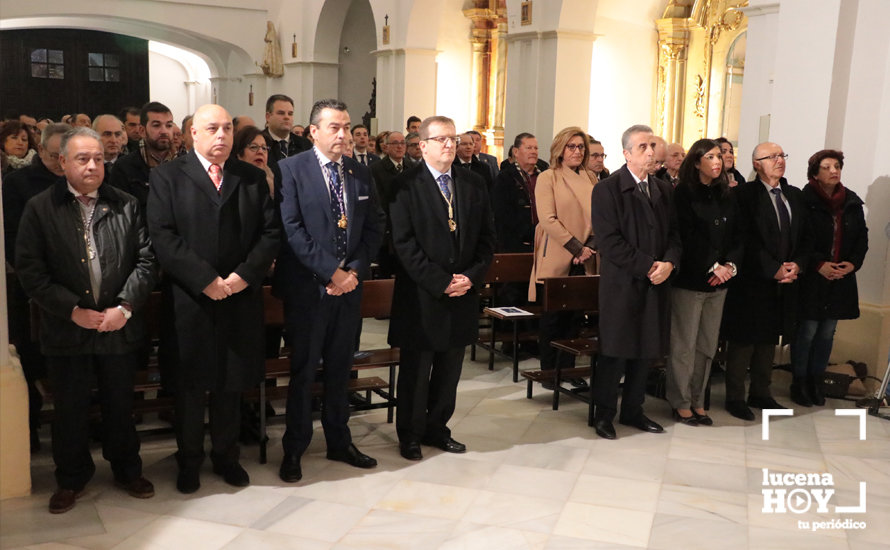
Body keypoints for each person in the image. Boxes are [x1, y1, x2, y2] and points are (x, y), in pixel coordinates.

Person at [15, 127, 159, 514]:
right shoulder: (40, 208)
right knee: (70, 409)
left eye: (98, 158)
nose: (93, 165)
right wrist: (71, 310)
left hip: (116, 324)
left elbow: (146, 261)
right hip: (67, 328)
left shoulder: (126, 203)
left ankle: (128, 470)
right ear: (63, 163)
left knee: (119, 404)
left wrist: (125, 307)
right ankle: (71, 479)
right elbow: (30, 270)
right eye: (82, 158)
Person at [147, 104, 279, 494]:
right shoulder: (168, 176)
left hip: (239, 296)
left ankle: (227, 456)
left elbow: (270, 234)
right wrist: (206, 279)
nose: (221, 135)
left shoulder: (251, 177)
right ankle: (189, 460)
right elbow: (163, 236)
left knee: (230, 381)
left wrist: (242, 277)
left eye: (226, 128)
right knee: (190, 385)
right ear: (193, 134)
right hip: (191, 298)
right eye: (212, 128)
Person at [275, 99, 385, 482]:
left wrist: (353, 270)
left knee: (341, 369)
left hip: (349, 289)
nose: (343, 135)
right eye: (335, 128)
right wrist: (330, 272)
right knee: (305, 372)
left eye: (347, 127)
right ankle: (295, 448)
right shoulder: (291, 169)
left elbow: (374, 227)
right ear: (314, 132)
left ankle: (339, 440)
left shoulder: (358, 170)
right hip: (309, 290)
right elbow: (291, 229)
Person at [388, 116, 495, 461]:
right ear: (423, 146)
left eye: (453, 138)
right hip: (421, 295)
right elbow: (402, 245)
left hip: (462, 292)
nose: (449, 144)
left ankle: (438, 428)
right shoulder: (404, 184)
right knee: (417, 372)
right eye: (441, 139)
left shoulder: (474, 182)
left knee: (450, 370)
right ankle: (410, 434)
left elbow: (487, 240)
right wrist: (440, 281)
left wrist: (470, 277)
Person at [589, 124, 680, 440]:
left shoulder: (664, 190)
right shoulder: (607, 189)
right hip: (623, 284)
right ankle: (603, 414)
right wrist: (648, 265)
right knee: (615, 351)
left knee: (646, 349)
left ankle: (633, 410)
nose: (651, 151)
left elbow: (674, 236)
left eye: (652, 145)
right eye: (643, 146)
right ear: (626, 153)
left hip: (656, 282)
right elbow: (609, 241)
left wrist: (669, 262)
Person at [721, 142, 807, 420]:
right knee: (744, 340)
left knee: (769, 339)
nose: (779, 160)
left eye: (782, 155)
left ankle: (761, 392)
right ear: (757, 164)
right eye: (772, 157)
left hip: (784, 282)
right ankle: (734, 397)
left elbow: (806, 237)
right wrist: (773, 268)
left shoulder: (793, 195)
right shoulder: (744, 195)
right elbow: (744, 238)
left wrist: (798, 265)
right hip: (751, 279)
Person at [3, 122, 70, 451]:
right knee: (33, 364)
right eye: (55, 154)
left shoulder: (82, 180)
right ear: (40, 151)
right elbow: (15, 241)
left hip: (78, 293)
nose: (62, 160)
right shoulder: (17, 185)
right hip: (33, 292)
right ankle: (30, 432)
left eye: (66, 154)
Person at [666, 139, 742, 426]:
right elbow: (686, 235)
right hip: (691, 279)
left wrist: (729, 266)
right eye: (710, 156)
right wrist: (712, 265)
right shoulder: (684, 193)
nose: (717, 161)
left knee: (707, 345)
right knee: (684, 345)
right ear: (696, 162)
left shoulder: (727, 193)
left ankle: (698, 400)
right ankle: (680, 401)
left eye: (719, 156)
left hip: (720, 281)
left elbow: (737, 235)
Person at [790, 149, 868, 407]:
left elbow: (861, 238)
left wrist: (852, 264)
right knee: (808, 331)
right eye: (827, 166)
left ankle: (816, 379)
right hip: (813, 277)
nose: (834, 170)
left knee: (827, 332)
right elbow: (798, 239)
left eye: (837, 166)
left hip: (840, 278)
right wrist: (817, 264)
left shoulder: (851, 201)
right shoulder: (804, 200)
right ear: (815, 172)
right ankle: (799, 381)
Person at [528, 127, 598, 379]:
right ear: (560, 149)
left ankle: (568, 369)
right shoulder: (549, 177)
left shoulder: (591, 177)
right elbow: (547, 218)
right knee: (553, 316)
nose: (577, 151)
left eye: (581, 147)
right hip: (559, 250)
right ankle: (549, 370)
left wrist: (589, 246)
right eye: (572, 146)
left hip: (587, 253)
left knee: (575, 315)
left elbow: (600, 215)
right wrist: (576, 247)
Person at [110, 101, 176, 210]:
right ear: (142, 130)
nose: (164, 131)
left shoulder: (184, 165)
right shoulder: (124, 167)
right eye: (156, 125)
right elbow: (120, 215)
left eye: (169, 125)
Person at [492, 132, 543, 253]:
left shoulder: (544, 175)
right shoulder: (505, 178)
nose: (533, 151)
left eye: (536, 148)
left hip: (544, 241)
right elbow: (501, 215)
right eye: (528, 148)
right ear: (516, 152)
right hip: (515, 244)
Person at [262, 94, 312, 165]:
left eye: (290, 114)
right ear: (268, 117)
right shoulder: (259, 142)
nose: (286, 117)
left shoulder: (305, 145)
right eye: (281, 113)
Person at [232, 125, 277, 198]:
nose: (260, 152)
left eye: (264, 148)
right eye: (253, 147)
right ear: (239, 154)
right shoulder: (231, 182)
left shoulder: (276, 181)